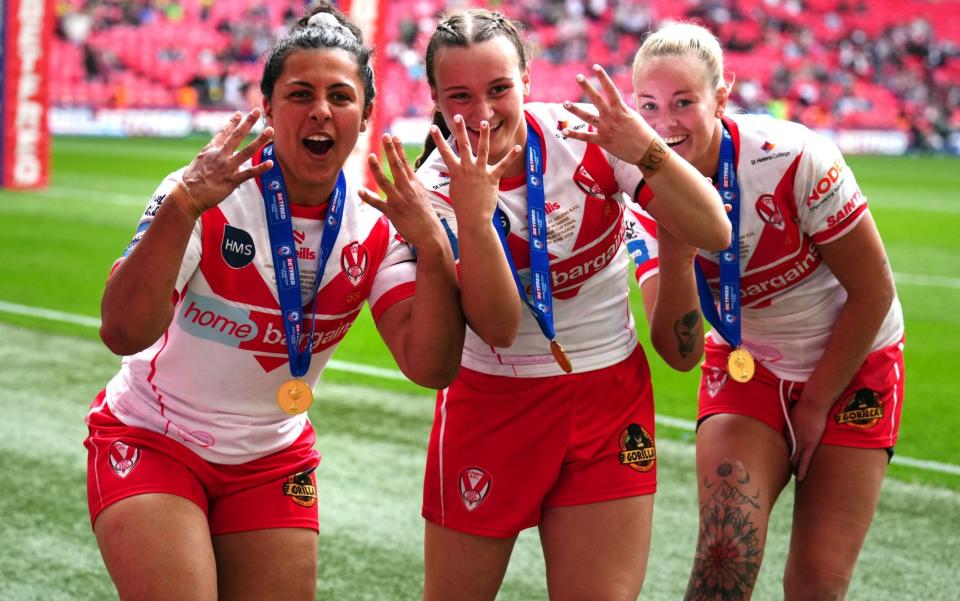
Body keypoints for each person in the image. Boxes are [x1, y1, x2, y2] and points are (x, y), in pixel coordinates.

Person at [85, 4, 464, 600]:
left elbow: (431, 367)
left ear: (365, 114)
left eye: (340, 96)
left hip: (273, 458)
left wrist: (435, 250)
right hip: (155, 439)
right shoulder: (207, 191)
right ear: (266, 108)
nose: (320, 110)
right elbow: (121, 332)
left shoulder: (376, 224)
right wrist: (184, 204)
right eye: (299, 94)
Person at [412, 9, 731, 601]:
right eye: (460, 95)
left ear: (527, 80)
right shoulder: (433, 188)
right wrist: (477, 218)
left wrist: (647, 149)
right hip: (494, 406)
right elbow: (500, 327)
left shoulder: (584, 134)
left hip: (611, 396)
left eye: (499, 89)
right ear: (433, 96)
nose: (482, 113)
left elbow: (713, 229)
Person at [625, 22, 905, 600]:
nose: (664, 122)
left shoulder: (791, 156)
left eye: (684, 102)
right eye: (648, 105)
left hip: (855, 362)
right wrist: (674, 249)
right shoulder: (634, 188)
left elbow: (873, 290)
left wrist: (817, 402)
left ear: (722, 95)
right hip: (747, 365)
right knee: (722, 564)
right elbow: (678, 355)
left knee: (816, 584)